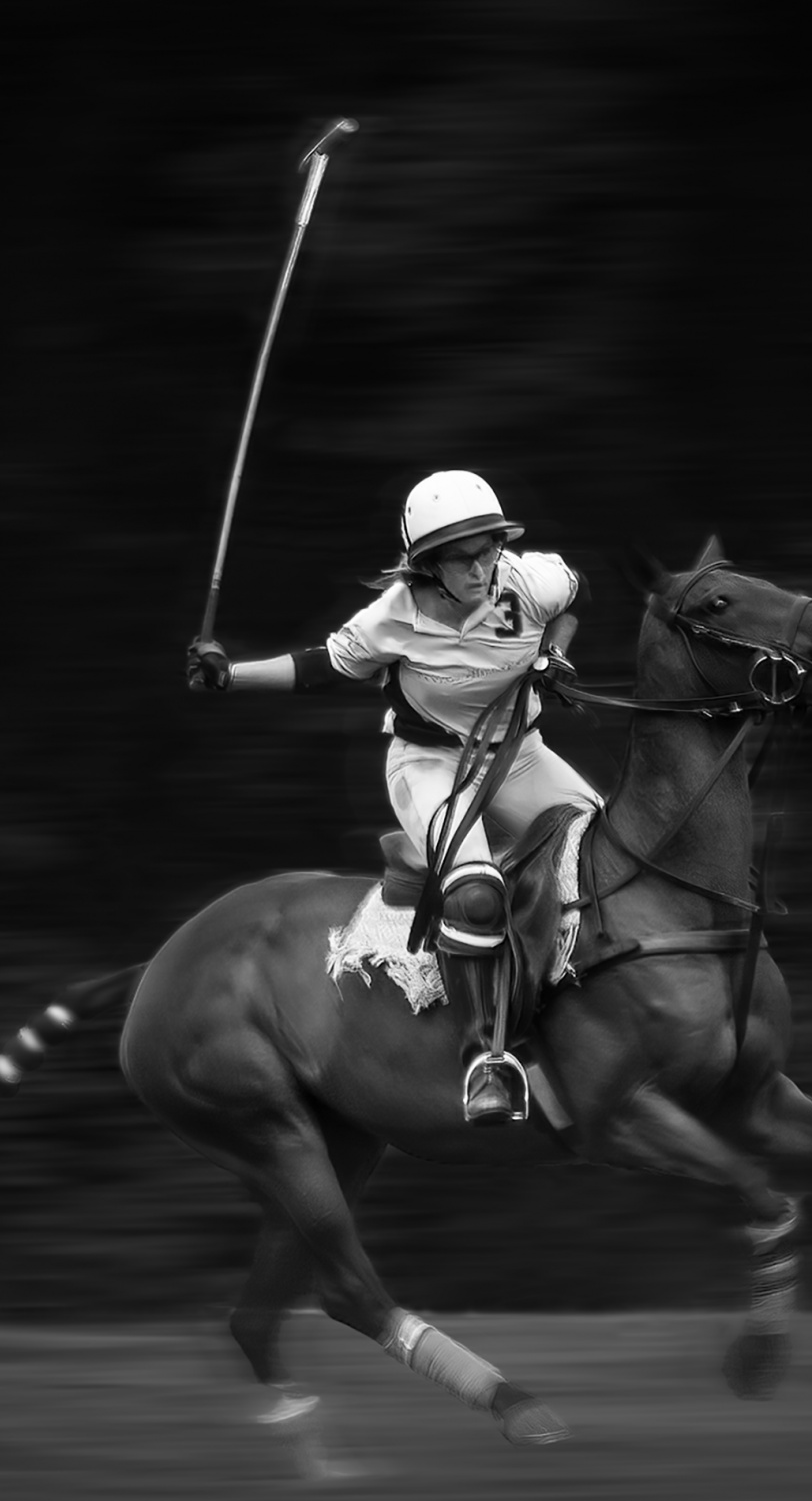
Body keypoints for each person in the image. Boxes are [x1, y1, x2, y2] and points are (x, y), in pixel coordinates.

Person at [185, 470, 600, 1124]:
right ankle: (486, 1059)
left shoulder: (528, 581)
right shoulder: (392, 618)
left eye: (489, 547)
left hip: (521, 755)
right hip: (432, 766)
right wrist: (229, 675)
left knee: (604, 853)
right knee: (475, 893)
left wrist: (553, 653)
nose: (482, 566)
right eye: (462, 556)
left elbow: (573, 595)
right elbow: (318, 666)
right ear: (427, 564)